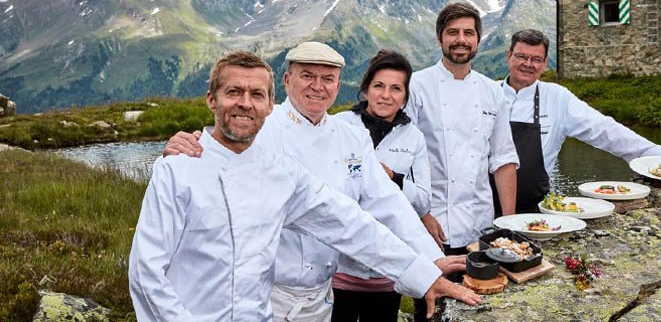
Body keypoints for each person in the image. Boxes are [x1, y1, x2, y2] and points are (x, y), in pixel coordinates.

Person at [129, 51, 479, 321]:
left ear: (268, 105)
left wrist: (423, 273)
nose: (245, 104)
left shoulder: (283, 174)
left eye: (255, 95)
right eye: (234, 92)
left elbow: (351, 223)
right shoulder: (178, 168)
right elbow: (146, 273)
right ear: (211, 100)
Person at [404, 2, 519, 321]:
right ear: (439, 38)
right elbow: (403, 159)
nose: (461, 39)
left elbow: (504, 159)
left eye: (468, 33)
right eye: (452, 32)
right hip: (430, 229)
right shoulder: (416, 86)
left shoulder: (492, 92)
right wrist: (422, 213)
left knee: (482, 308)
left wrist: (506, 225)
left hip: (478, 229)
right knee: (429, 310)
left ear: (478, 39)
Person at [492, 29, 661, 214]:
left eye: (536, 59)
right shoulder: (488, 93)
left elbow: (603, 129)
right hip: (482, 205)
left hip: (535, 210)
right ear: (509, 56)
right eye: (521, 56)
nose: (528, 64)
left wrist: (653, 154)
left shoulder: (557, 97)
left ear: (544, 63)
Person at [331, 49, 433, 322]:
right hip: (339, 269)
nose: (386, 95)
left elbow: (423, 201)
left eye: (396, 88)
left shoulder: (414, 137)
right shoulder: (339, 126)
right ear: (365, 90)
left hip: (388, 270)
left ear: (404, 97)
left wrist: (394, 179)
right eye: (379, 86)